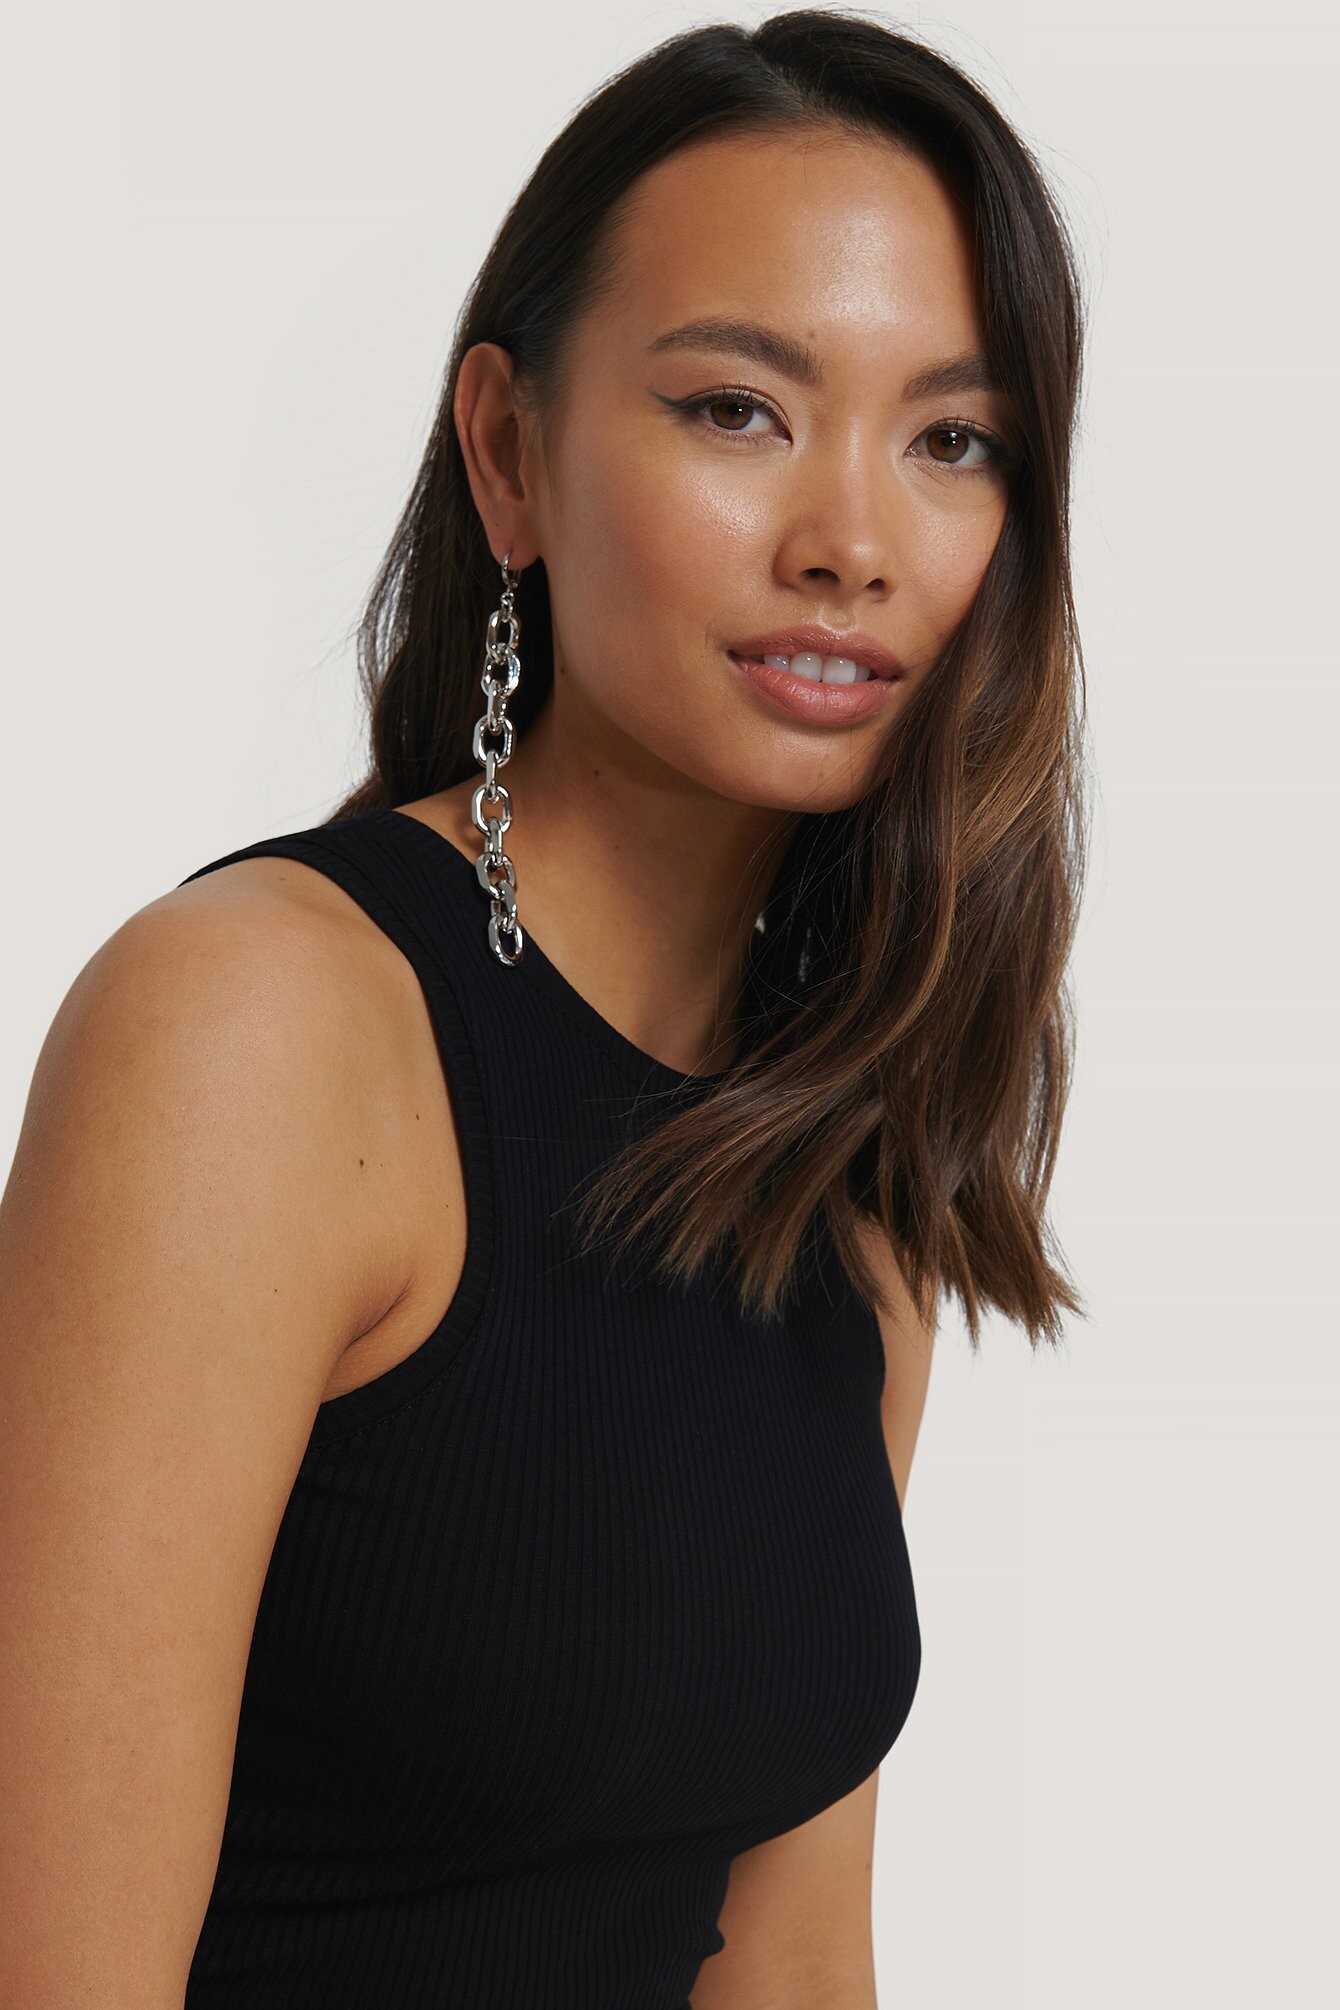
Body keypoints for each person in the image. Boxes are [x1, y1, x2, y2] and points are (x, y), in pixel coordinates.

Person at [0, 11, 1088, 2007]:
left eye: (954, 441)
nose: (850, 543)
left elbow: (791, 1966)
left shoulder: (843, 1184)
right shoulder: (260, 1032)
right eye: (738, 409)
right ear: (507, 454)